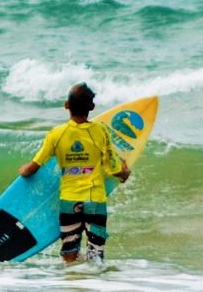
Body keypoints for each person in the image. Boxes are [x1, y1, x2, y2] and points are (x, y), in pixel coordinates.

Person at [18, 83, 130, 263]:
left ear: (66, 105)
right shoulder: (100, 131)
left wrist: (23, 170)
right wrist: (124, 174)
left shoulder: (56, 134)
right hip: (95, 200)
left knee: (69, 251)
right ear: (91, 107)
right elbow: (113, 167)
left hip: (69, 201)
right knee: (96, 253)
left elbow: (32, 168)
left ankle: (71, 278)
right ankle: (94, 277)